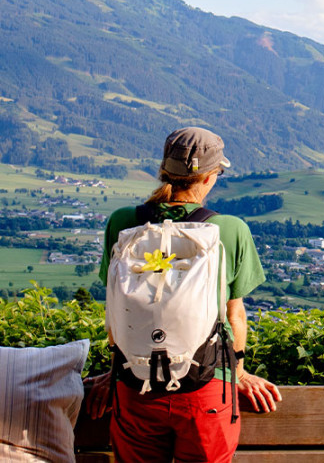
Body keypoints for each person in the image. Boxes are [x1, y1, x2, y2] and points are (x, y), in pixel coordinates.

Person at [83, 126, 282, 463]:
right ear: (209, 177)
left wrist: (117, 369)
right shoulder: (229, 230)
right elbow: (234, 315)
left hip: (135, 385)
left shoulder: (123, 222)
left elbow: (119, 308)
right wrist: (241, 373)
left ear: (164, 169)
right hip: (205, 390)